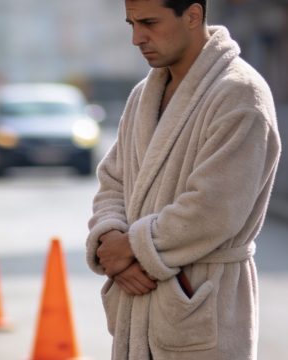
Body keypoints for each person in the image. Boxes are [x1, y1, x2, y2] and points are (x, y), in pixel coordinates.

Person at [86, 1, 281, 359]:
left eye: (149, 23)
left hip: (202, 301)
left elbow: (214, 208)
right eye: (131, 24)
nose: (136, 38)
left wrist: (129, 249)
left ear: (192, 15)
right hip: (138, 310)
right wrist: (112, 238)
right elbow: (113, 181)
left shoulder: (240, 94)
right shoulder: (141, 96)